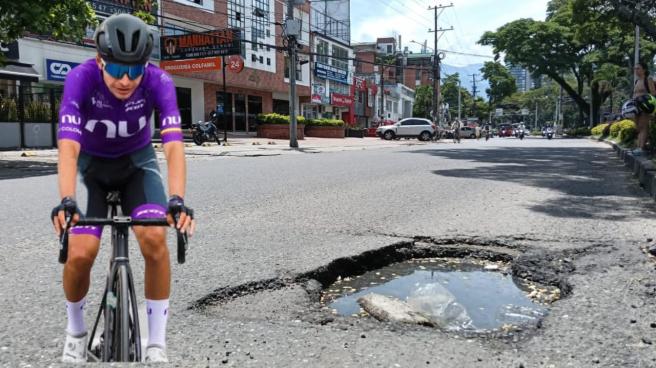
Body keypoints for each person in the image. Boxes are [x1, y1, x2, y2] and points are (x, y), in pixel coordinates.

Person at [51, 14, 195, 363]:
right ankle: (75, 331)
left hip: (136, 166)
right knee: (81, 253)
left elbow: (174, 144)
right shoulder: (80, 79)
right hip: (92, 170)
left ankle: (156, 342)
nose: (126, 80)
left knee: (154, 240)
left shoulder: (159, 81)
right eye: (116, 70)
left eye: (135, 70)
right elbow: (68, 145)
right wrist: (66, 200)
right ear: (100, 60)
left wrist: (177, 200)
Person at [633, 62, 656, 154]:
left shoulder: (648, 79)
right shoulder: (636, 81)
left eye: (638, 68)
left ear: (644, 70)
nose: (636, 70)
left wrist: (644, 99)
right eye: (635, 69)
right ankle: (639, 146)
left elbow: (653, 93)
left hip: (645, 107)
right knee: (638, 127)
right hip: (636, 108)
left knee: (643, 127)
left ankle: (641, 148)